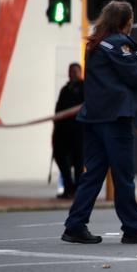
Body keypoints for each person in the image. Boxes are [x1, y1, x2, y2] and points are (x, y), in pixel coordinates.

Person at [62, 1, 137, 245]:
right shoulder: (119, 43)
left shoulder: (95, 43)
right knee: (123, 176)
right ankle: (133, 228)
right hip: (114, 119)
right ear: (125, 22)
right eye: (130, 21)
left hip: (93, 117)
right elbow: (136, 77)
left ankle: (75, 225)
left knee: (93, 174)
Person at [52, 62, 84, 199]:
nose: (72, 74)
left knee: (78, 161)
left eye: (75, 71)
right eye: (70, 71)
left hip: (79, 130)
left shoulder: (85, 87)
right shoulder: (65, 89)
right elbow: (59, 109)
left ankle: (78, 189)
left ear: (80, 72)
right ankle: (68, 186)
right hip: (62, 131)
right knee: (60, 157)